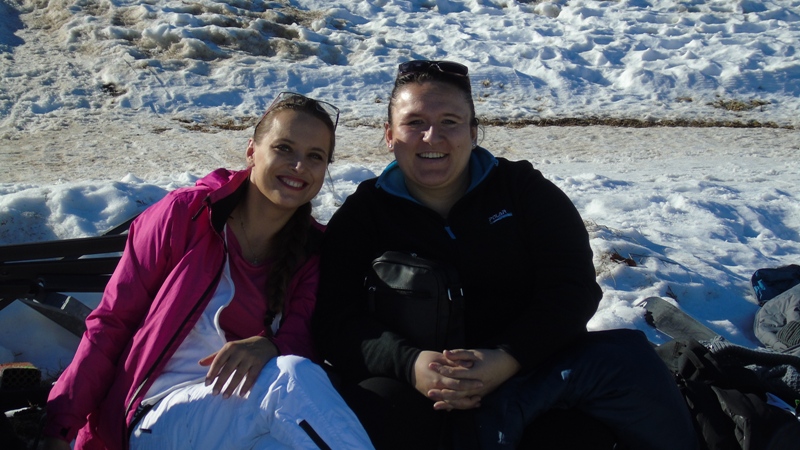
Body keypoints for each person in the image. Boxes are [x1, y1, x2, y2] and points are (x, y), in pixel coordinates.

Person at [311, 61, 698, 450]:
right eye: (415, 123)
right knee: (370, 416)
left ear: (473, 132)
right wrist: (410, 364)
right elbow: (334, 320)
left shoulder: (523, 190)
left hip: (529, 376)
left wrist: (506, 358)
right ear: (390, 135)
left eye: (450, 122)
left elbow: (572, 290)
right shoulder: (364, 213)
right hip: (416, 388)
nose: (432, 137)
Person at [43, 92, 374, 450]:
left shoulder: (311, 251)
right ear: (252, 151)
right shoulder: (186, 216)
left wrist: (270, 346)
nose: (299, 166)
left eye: (315, 156)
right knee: (290, 378)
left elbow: (302, 337)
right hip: (155, 415)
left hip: (242, 416)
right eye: (284, 148)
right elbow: (112, 322)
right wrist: (61, 427)